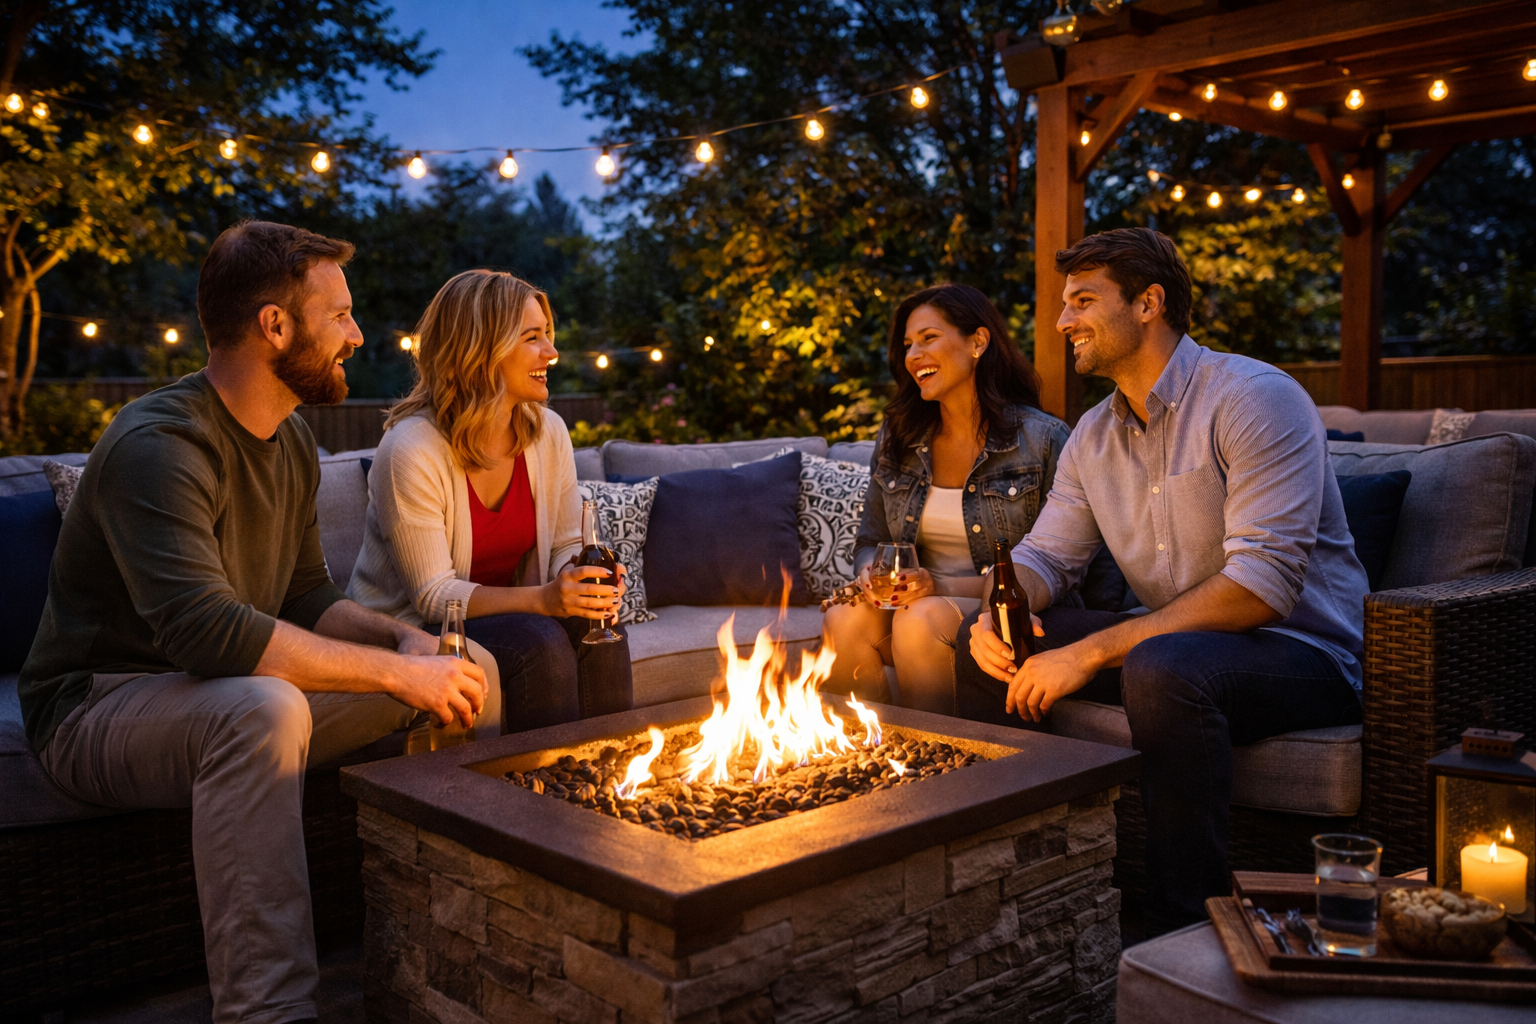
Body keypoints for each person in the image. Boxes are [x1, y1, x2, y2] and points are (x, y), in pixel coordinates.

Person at [18, 221, 489, 1024]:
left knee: (464, 663)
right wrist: (391, 671)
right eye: (338, 314)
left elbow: (305, 593)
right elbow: (205, 633)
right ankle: (268, 1012)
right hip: (97, 705)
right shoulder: (159, 444)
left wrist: (402, 641)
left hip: (216, 688)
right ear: (275, 325)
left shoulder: (293, 438)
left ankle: (439, 962)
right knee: (261, 708)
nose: (357, 333)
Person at [958, 227, 1368, 935]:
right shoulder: (1093, 434)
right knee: (984, 650)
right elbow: (1048, 558)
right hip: (1184, 647)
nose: (1062, 323)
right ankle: (1014, 891)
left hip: (1305, 654)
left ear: (1147, 304)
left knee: (1159, 667)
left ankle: (1180, 928)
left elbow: (1262, 585)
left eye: (1083, 301)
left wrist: (1089, 651)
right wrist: (1002, 612)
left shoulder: (1253, 398)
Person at [348, 269, 633, 733]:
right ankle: (538, 792)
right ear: (482, 350)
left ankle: (610, 774)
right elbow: (434, 596)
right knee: (538, 641)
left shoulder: (547, 431)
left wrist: (577, 580)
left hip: (510, 614)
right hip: (410, 630)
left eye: (548, 336)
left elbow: (563, 544)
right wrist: (544, 600)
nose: (552, 352)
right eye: (532, 338)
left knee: (599, 628)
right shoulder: (411, 449)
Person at [823, 284, 1069, 708]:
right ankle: (873, 757)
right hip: (916, 603)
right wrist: (874, 576)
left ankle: (941, 761)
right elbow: (869, 541)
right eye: (907, 344)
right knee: (842, 618)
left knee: (919, 619)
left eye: (929, 338)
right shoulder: (900, 437)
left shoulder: (1043, 439)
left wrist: (936, 585)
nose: (913, 354)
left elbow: (1064, 564)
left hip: (996, 608)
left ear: (978, 341)